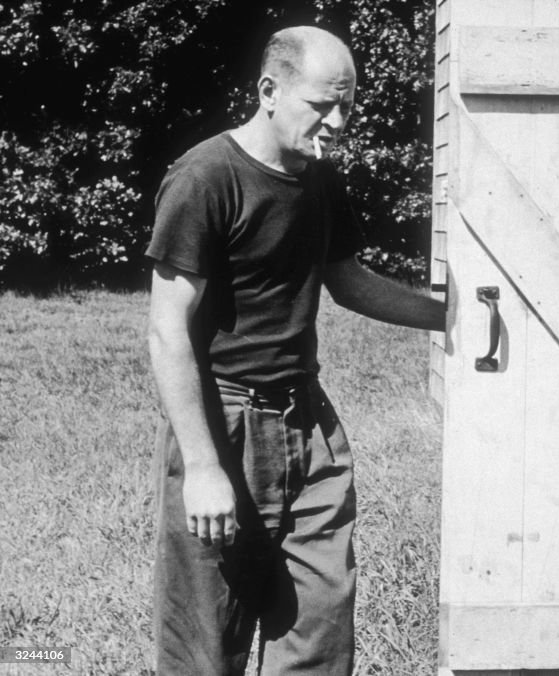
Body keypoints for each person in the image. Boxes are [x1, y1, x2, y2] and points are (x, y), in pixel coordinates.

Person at [146, 25, 444, 674]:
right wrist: (202, 467)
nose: (337, 121)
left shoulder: (318, 183)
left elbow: (350, 281)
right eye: (322, 104)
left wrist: (450, 318)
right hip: (225, 426)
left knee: (320, 634)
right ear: (269, 91)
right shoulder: (205, 178)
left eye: (348, 107)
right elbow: (168, 328)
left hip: (310, 427)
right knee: (205, 648)